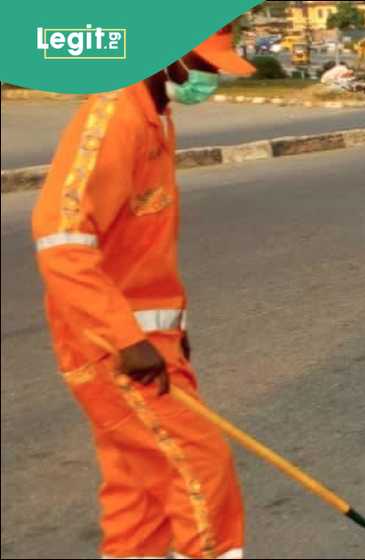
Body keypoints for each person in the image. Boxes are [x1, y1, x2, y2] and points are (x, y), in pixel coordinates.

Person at [30, 25, 254, 559]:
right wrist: (126, 341)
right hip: (114, 348)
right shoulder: (114, 116)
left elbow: (142, 255)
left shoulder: (155, 116)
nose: (209, 77)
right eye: (203, 64)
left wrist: (175, 333)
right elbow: (60, 236)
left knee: (141, 491)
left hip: (151, 342)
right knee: (200, 467)